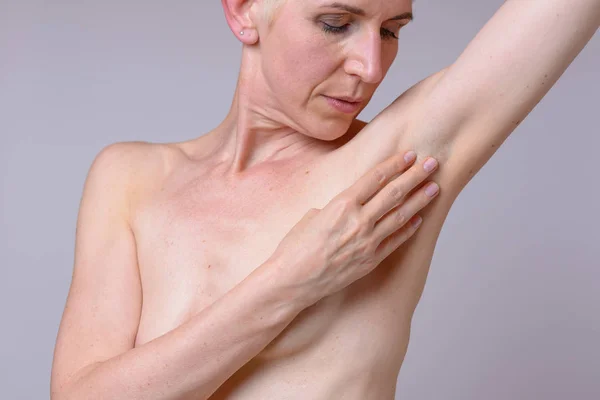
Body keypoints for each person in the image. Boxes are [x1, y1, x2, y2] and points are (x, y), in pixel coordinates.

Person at [50, 1, 599, 399]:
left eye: (391, 31)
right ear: (244, 11)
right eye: (337, 23)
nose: (372, 66)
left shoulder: (391, 166)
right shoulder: (129, 177)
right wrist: (291, 281)